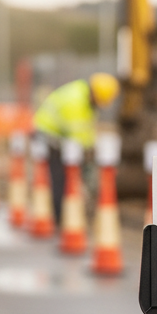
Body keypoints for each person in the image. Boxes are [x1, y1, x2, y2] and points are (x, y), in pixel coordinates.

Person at [33, 73, 120, 223]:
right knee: (60, 176)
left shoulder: (85, 98)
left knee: (67, 175)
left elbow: (86, 130)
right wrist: (89, 154)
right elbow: (77, 136)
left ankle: (69, 213)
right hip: (49, 134)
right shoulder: (76, 102)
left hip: (59, 134)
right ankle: (61, 218)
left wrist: (91, 147)